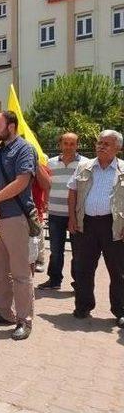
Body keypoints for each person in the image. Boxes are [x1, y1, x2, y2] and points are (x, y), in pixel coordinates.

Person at [0, 110, 37, 341]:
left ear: (11, 126)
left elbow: (21, 182)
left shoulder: (25, 149)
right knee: (0, 269)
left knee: (21, 273)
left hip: (15, 217)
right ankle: (5, 313)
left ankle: (25, 320)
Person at [68, 130, 124, 327]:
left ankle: (120, 311)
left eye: (106, 143)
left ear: (118, 148)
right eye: (99, 142)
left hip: (114, 225)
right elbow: (72, 191)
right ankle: (83, 306)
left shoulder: (123, 169)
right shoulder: (84, 166)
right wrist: (72, 217)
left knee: (118, 271)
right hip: (87, 223)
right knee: (83, 268)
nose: (101, 146)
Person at [38, 133, 87, 290]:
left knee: (78, 252)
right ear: (60, 144)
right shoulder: (50, 163)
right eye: (65, 143)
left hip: (77, 215)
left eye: (72, 143)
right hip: (55, 213)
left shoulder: (85, 163)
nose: (68, 146)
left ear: (77, 145)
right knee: (56, 250)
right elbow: (45, 185)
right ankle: (54, 280)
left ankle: (78, 283)